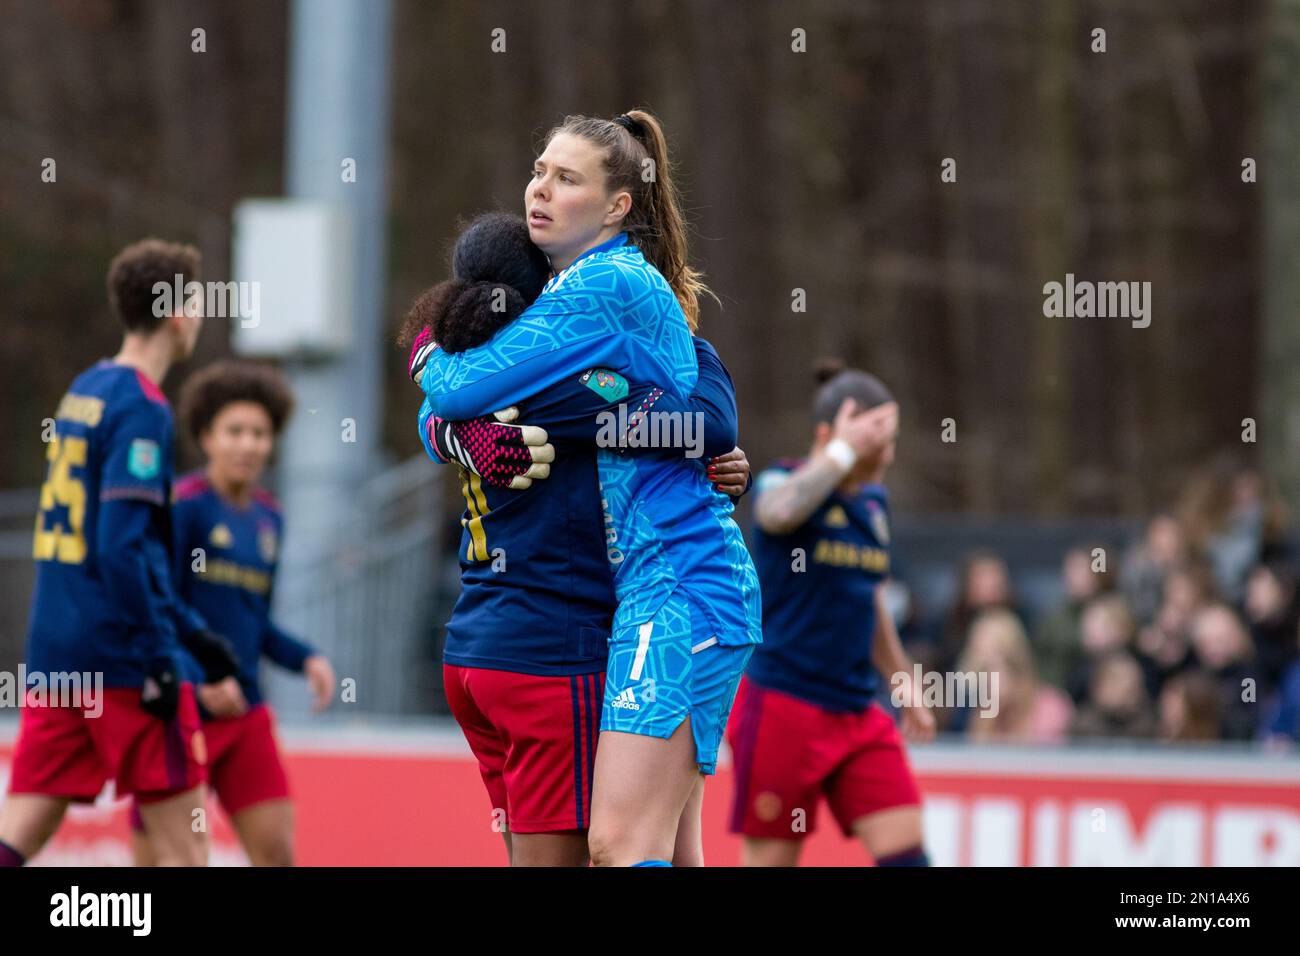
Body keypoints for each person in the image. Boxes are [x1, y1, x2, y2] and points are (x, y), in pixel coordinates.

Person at [418, 110, 764, 867]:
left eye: (566, 178)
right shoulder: (584, 290)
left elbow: (456, 384)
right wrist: (458, 433)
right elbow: (465, 403)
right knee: (669, 848)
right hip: (653, 587)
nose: (540, 188)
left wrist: (421, 344)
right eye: (539, 170)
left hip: (680, 581)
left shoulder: (604, 281)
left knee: (618, 843)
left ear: (616, 207)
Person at [0, 239, 238, 867]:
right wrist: (164, 654)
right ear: (178, 313)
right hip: (124, 661)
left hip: (58, 654)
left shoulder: (86, 387)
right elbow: (120, 546)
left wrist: (194, 635)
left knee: (21, 827)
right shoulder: (142, 406)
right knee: (187, 852)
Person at [128, 360, 336, 866]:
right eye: (235, 431)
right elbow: (156, 608)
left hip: (244, 713)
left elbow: (254, 620)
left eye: (260, 433)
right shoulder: (182, 506)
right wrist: (199, 681)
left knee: (278, 856)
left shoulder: (270, 517)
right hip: (179, 713)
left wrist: (305, 658)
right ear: (206, 436)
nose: (249, 444)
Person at [726, 362, 930, 866]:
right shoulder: (783, 482)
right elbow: (776, 514)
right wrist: (843, 452)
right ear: (828, 434)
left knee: (909, 857)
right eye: (878, 438)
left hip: (857, 710)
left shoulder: (874, 506)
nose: (888, 452)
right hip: (783, 705)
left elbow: (869, 595)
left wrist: (902, 679)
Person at [957, 609, 1073, 744]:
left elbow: (1036, 759)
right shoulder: (973, 709)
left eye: (1002, 670)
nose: (994, 684)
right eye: (985, 673)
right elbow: (973, 758)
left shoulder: (1052, 707)